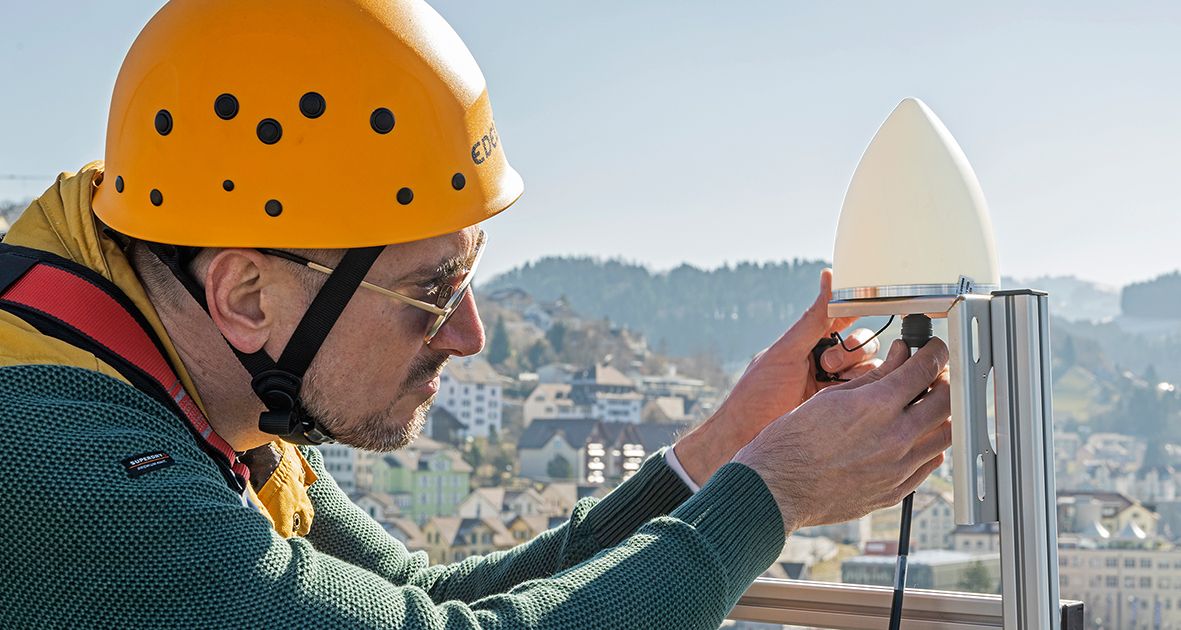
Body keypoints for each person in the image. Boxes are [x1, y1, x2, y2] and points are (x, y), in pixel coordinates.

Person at [0, 1, 952, 627]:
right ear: (247, 295)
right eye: (430, 291)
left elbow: (417, 599)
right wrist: (767, 498)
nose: (468, 334)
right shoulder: (57, 458)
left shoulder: (204, 384)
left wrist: (721, 453)